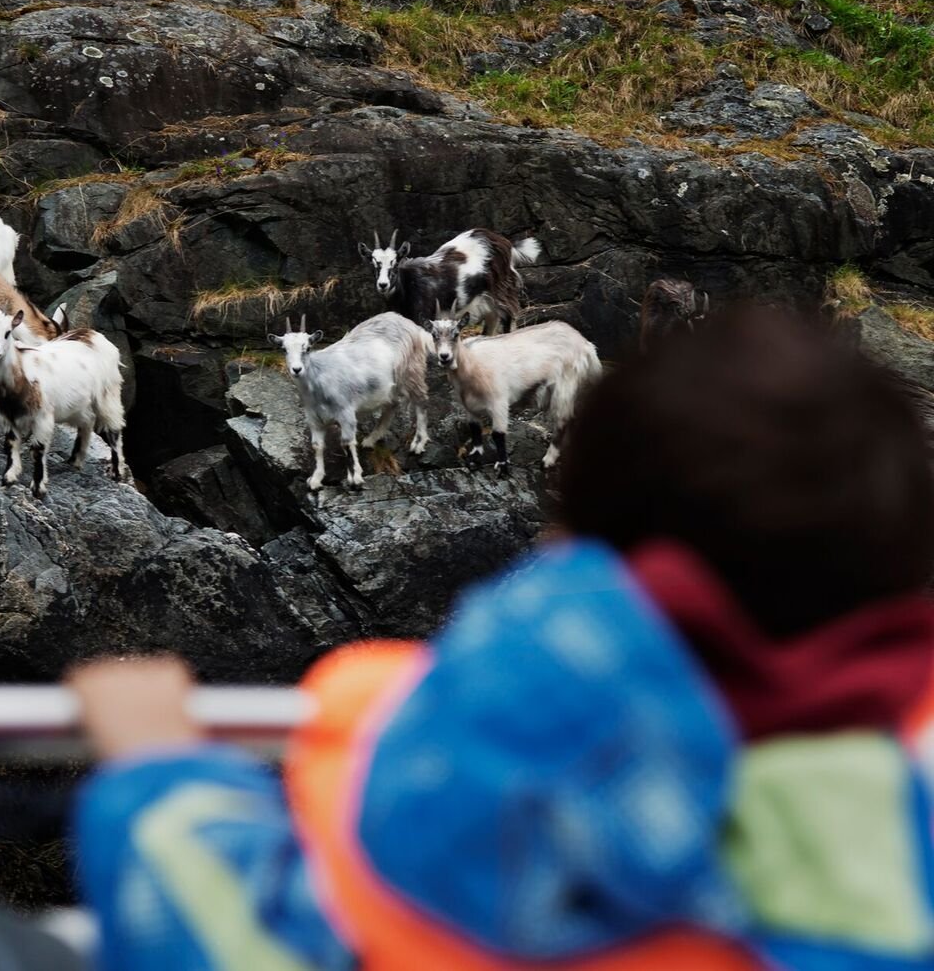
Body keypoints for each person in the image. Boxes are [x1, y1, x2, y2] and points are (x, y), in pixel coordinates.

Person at [67, 307, 934, 971]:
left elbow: (249, 938)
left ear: (582, 527)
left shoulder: (511, 743)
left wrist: (155, 772)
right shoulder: (900, 795)